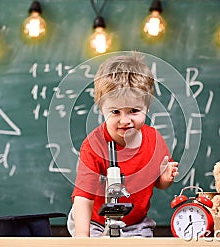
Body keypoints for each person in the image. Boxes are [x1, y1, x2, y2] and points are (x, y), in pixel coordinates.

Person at [67, 53, 179, 237]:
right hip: (95, 222)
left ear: (147, 107)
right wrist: (82, 238)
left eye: (134, 111)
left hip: (136, 223)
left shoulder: (155, 140)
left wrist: (165, 178)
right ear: (101, 108)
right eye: (115, 112)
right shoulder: (93, 146)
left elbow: (159, 183)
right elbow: (83, 197)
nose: (124, 120)